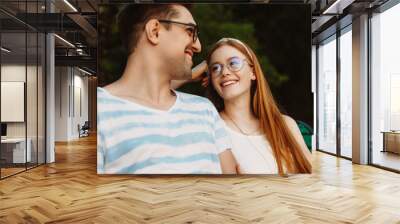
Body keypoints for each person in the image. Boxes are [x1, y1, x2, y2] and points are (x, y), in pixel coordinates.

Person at [97, 4, 237, 174]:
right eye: (190, 32)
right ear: (155, 31)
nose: (198, 46)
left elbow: (231, 188)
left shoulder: (204, 109)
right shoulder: (99, 110)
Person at [175, 38, 312, 174]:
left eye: (233, 63)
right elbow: (154, 99)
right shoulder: (208, 127)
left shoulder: (285, 125)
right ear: (211, 79)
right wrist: (189, 75)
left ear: (253, 72)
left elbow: (317, 179)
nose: (225, 72)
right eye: (215, 68)